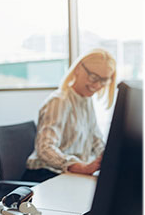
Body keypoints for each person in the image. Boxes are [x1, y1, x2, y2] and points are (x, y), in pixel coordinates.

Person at [24, 48, 117, 182]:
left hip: (70, 174)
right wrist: (79, 167)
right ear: (78, 69)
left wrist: (108, 159)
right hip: (45, 176)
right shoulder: (59, 101)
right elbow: (45, 149)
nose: (97, 85)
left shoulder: (86, 100)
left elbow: (96, 140)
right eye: (93, 77)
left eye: (103, 80)